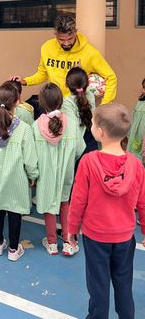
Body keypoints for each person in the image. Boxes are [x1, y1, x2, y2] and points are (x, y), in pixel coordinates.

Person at [68, 103, 145, 319]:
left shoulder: (88, 161)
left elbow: (78, 200)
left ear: (99, 132)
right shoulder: (136, 164)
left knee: (98, 285)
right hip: (124, 236)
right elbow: (143, 201)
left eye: (92, 123)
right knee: (123, 282)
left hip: (95, 236)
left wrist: (71, 229)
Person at [0, 82, 38, 261]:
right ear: (17, 102)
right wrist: (33, 175)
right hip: (15, 178)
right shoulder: (24, 129)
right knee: (14, 212)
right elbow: (29, 159)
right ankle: (13, 249)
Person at [11, 14, 117, 105]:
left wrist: (105, 105)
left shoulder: (90, 53)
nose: (66, 43)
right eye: (61, 40)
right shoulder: (46, 48)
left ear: (75, 32)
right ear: (55, 35)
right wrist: (25, 81)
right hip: (54, 102)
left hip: (76, 106)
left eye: (70, 39)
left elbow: (111, 77)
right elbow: (42, 74)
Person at [33, 83, 85, 256]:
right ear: (61, 101)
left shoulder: (36, 126)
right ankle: (69, 242)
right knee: (64, 202)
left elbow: (31, 154)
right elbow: (79, 149)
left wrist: (33, 172)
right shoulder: (70, 124)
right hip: (66, 172)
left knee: (49, 204)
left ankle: (52, 243)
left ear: (41, 102)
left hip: (45, 174)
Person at [62, 66, 98, 162]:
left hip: (78, 146)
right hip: (92, 141)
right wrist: (80, 75)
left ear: (66, 84)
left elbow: (73, 129)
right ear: (87, 83)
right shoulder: (90, 96)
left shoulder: (66, 103)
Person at [128, 77, 145, 164]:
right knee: (134, 162)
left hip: (142, 140)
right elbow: (133, 120)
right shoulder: (140, 103)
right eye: (143, 87)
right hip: (136, 139)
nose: (143, 90)